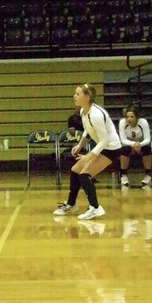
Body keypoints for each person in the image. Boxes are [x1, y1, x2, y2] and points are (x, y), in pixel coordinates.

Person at [53, 84, 122, 219]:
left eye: (77, 94)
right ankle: (71, 205)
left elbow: (105, 139)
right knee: (75, 170)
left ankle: (95, 208)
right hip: (103, 146)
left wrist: (89, 156)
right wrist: (80, 144)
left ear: (87, 96)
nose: (74, 96)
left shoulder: (96, 114)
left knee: (85, 174)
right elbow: (88, 129)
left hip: (111, 148)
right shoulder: (83, 111)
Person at [117, 106, 152, 187]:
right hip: (129, 144)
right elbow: (123, 140)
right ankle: (124, 175)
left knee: (147, 148)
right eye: (127, 117)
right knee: (124, 149)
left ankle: (148, 175)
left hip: (141, 144)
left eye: (132, 117)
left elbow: (147, 139)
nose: (129, 119)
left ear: (137, 117)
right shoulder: (122, 122)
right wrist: (133, 144)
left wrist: (139, 144)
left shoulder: (143, 122)